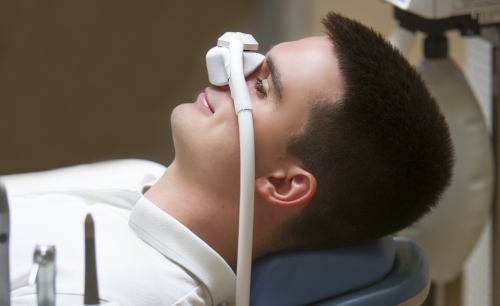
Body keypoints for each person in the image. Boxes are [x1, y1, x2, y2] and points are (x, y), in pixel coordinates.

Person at [6, 12, 453, 306]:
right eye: (255, 61)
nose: (229, 69)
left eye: (262, 87)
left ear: (282, 183)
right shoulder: (139, 177)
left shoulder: (134, 294)